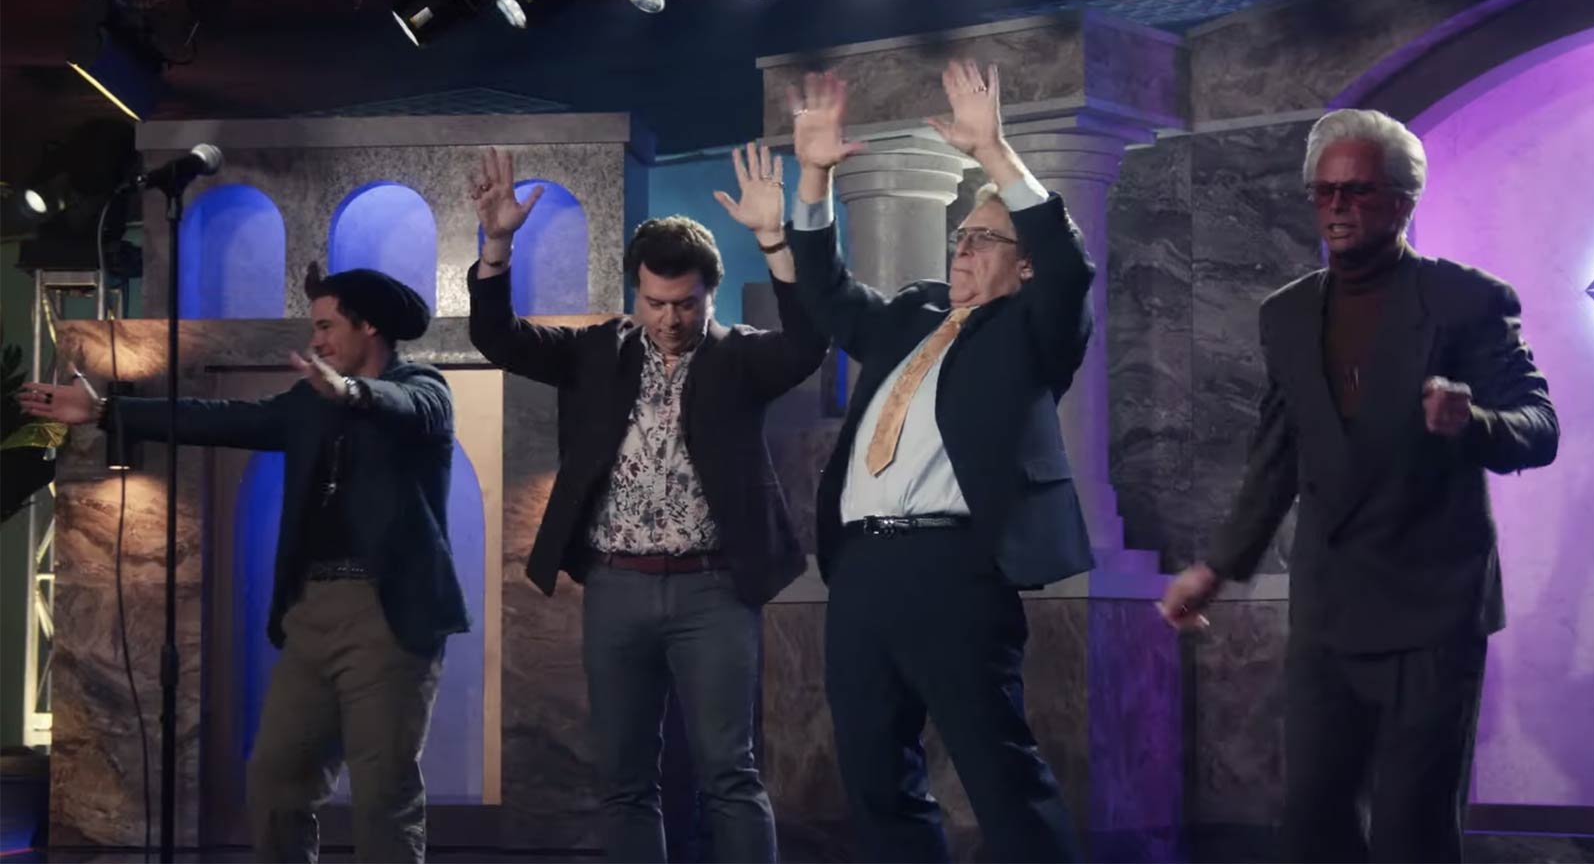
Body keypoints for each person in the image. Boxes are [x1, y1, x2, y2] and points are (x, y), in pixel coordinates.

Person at [1158, 108, 1559, 863]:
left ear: (1403, 203)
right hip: (1330, 609)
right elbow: (1276, 456)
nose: (1336, 207)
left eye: (1357, 191)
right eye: (1324, 191)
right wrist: (1217, 567)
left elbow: (1541, 427)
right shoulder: (1285, 315)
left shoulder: (1466, 300)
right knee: (1313, 826)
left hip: (1433, 608)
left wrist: (1473, 421)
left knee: (1412, 831)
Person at [22, 265, 466, 863]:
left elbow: (409, 406)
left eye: (327, 326)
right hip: (311, 614)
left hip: (387, 617)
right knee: (276, 781)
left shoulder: (424, 387)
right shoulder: (307, 404)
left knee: (383, 793)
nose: (316, 340)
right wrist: (106, 411)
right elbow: (223, 417)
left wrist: (352, 392)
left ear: (369, 327)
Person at [464, 144, 828, 863]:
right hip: (616, 587)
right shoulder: (596, 351)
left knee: (730, 775)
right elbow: (497, 337)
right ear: (636, 292)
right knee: (624, 781)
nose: (669, 319)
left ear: (709, 295)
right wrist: (497, 246)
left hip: (714, 589)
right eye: (655, 302)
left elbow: (808, 345)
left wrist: (774, 242)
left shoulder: (740, 357)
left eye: (686, 304)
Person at [784, 61, 1095, 862]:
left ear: (1024, 264)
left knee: (1001, 778)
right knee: (875, 780)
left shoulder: (1033, 331)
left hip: (955, 568)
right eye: (961, 236)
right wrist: (813, 177)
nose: (963, 249)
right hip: (862, 569)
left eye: (984, 239)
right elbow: (825, 292)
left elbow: (1068, 266)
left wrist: (993, 152)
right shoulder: (913, 312)